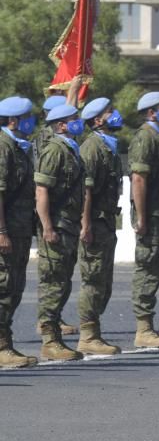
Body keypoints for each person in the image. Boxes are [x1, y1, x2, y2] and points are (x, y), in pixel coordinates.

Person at [35, 103, 86, 361]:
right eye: (74, 118)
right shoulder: (55, 150)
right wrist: (47, 227)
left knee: (63, 283)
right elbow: (41, 190)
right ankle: (49, 341)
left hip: (68, 225)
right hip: (57, 226)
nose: (80, 120)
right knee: (53, 284)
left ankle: (55, 337)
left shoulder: (71, 149)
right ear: (62, 124)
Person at [75, 97, 124, 355]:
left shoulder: (109, 147)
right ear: (97, 120)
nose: (115, 115)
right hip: (94, 222)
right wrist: (85, 224)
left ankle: (94, 331)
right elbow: (86, 191)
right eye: (109, 112)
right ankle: (88, 335)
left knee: (104, 281)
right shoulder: (92, 148)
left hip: (105, 221)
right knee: (93, 280)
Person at [128, 91, 159, 348]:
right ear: (151, 112)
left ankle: (146, 326)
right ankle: (143, 329)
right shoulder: (146, 139)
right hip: (152, 215)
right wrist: (142, 217)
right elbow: (138, 179)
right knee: (147, 270)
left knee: (154, 270)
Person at [0, 97, 38, 367]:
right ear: (13, 120)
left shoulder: (19, 147)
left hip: (20, 229)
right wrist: (1, 231)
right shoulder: (4, 148)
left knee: (14, 287)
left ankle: (6, 342)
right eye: (27, 116)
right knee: (3, 288)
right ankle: (2, 346)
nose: (31, 121)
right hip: (7, 230)